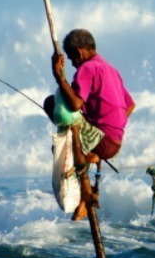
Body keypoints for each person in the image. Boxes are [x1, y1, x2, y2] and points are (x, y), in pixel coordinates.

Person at [43, 28, 135, 219]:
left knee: (52, 104)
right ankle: (89, 160)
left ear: (79, 52)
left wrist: (59, 76)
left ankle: (84, 193)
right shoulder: (111, 69)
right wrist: (111, 124)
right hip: (115, 141)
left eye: (71, 59)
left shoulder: (87, 68)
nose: (73, 64)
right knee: (76, 122)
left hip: (101, 139)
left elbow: (75, 104)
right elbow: (130, 105)